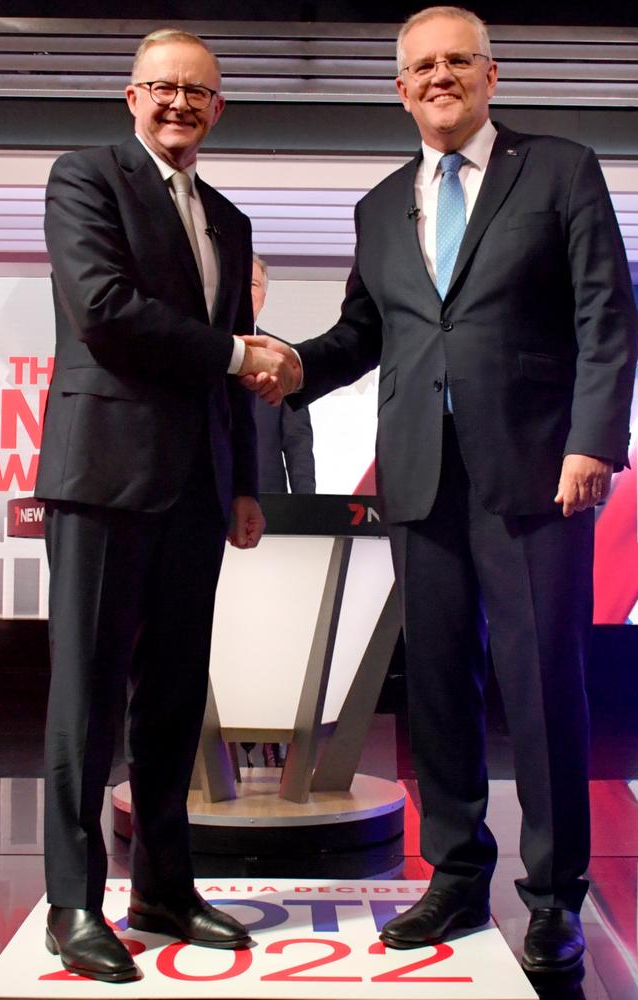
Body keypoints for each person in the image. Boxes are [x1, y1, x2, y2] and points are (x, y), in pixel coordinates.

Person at [245, 5, 637, 977]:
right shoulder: (379, 206)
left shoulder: (557, 171)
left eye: (456, 60)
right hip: (418, 477)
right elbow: (362, 332)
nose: (437, 77)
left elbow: (605, 313)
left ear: (490, 75)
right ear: (398, 87)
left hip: (537, 478)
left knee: (541, 690)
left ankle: (551, 898)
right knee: (436, 694)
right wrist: (292, 365)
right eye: (419, 66)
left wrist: (592, 440)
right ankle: (456, 875)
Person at [35, 28, 291, 983]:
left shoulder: (227, 217)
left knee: (177, 697)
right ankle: (70, 903)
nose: (180, 103)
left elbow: (235, 347)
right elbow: (102, 308)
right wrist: (235, 356)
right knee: (86, 696)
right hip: (103, 476)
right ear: (131, 95)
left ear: (217, 109)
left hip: (196, 488)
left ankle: (164, 888)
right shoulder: (85, 176)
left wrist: (243, 485)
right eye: (164, 88)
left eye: (199, 92)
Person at [251, 254, 316, 495]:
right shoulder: (199, 351)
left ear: (263, 298)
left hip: (268, 504)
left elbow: (297, 439)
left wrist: (306, 505)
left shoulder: (283, 359)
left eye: (253, 284)